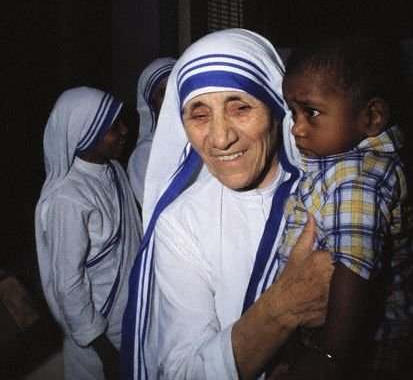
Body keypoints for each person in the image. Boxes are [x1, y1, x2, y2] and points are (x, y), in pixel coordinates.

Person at [121, 29, 334, 380]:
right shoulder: (183, 223)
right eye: (199, 115)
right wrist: (285, 306)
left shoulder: (341, 187)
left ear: (276, 108)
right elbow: (183, 372)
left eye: (241, 108)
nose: (220, 138)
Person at [275, 34, 413, 379]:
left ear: (372, 117)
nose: (297, 128)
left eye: (312, 112)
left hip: (365, 344)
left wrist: (330, 357)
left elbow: (353, 271)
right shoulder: (343, 161)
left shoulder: (357, 180)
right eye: (293, 112)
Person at [35, 87, 142, 379]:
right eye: (113, 127)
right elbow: (69, 285)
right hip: (100, 339)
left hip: (131, 319)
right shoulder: (68, 198)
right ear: (83, 134)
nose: (124, 131)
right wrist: (105, 352)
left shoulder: (113, 169)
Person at [127, 57, 177, 206]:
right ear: (152, 104)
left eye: (176, 88)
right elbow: (154, 208)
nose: (172, 97)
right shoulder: (145, 154)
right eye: (163, 93)